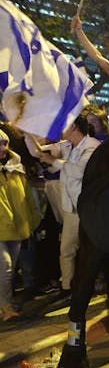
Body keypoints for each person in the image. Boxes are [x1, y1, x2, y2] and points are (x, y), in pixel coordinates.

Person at [27, 116, 100, 300]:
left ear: (74, 126)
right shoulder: (66, 146)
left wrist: (53, 161)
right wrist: (26, 131)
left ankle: (96, 282)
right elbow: (37, 152)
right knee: (67, 249)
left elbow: (79, 171)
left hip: (90, 207)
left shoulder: (92, 145)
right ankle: (68, 287)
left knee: (93, 248)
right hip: (72, 209)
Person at [0, 130, 41, 321]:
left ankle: (4, 303)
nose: (3, 148)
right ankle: (6, 306)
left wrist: (32, 220)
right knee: (6, 267)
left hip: (16, 228)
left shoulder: (16, 168)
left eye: (5, 143)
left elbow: (27, 199)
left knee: (10, 267)